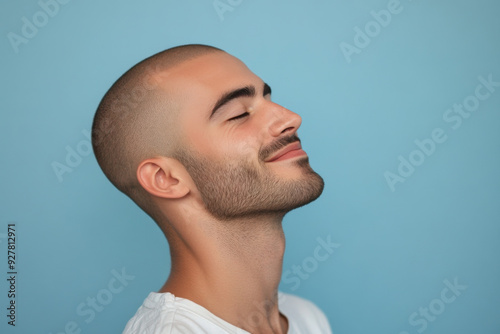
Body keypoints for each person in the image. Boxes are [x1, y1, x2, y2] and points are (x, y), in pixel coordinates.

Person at [91, 44, 332, 334]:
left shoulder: (305, 317)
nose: (291, 118)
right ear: (165, 178)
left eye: (268, 99)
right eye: (239, 114)